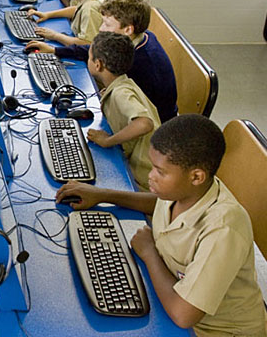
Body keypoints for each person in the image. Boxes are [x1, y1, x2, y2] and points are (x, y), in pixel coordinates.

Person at [56, 114, 267, 336]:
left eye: (160, 171)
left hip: (214, 330)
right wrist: (103, 195)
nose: (151, 176)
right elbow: (160, 204)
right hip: (174, 298)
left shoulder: (223, 230)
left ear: (196, 177)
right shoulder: (188, 191)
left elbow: (183, 315)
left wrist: (149, 253)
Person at [26, 0, 178, 122]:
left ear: (128, 29)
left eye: (107, 24)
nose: (101, 29)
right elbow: (97, 49)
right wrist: (55, 51)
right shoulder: (140, 37)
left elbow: (142, 118)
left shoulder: (140, 63)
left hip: (154, 126)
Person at [86, 32, 161, 190]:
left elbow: (145, 123)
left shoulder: (121, 94)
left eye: (89, 57)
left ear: (98, 64)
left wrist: (108, 141)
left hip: (143, 180)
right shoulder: (123, 84)